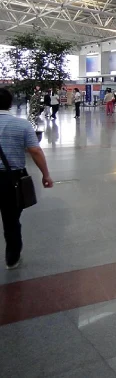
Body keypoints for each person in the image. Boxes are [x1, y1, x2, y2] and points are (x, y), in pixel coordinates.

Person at [0, 87, 54, 269]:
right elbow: (35, 151)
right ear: (10, 103)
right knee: (11, 219)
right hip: (11, 179)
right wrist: (45, 175)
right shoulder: (21, 125)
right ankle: (12, 258)